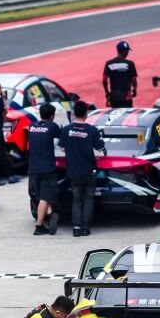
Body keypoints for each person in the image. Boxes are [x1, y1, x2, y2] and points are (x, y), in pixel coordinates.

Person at [61, 100, 105, 237]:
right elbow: (100, 148)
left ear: (74, 114)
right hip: (89, 171)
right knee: (88, 200)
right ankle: (85, 228)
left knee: (76, 199)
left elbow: (62, 148)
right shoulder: (92, 130)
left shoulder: (66, 130)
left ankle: (76, 228)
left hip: (73, 171)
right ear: (86, 114)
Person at [27, 103, 62, 235]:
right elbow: (62, 139)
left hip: (33, 168)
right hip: (47, 168)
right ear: (52, 116)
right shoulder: (52, 126)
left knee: (41, 196)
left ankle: (51, 213)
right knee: (45, 197)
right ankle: (39, 226)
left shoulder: (31, 126)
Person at [102, 41, 138, 108]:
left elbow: (104, 80)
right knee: (127, 114)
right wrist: (135, 89)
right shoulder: (130, 64)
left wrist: (107, 93)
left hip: (114, 98)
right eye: (127, 51)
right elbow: (134, 80)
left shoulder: (109, 63)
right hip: (127, 99)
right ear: (125, 51)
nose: (128, 53)